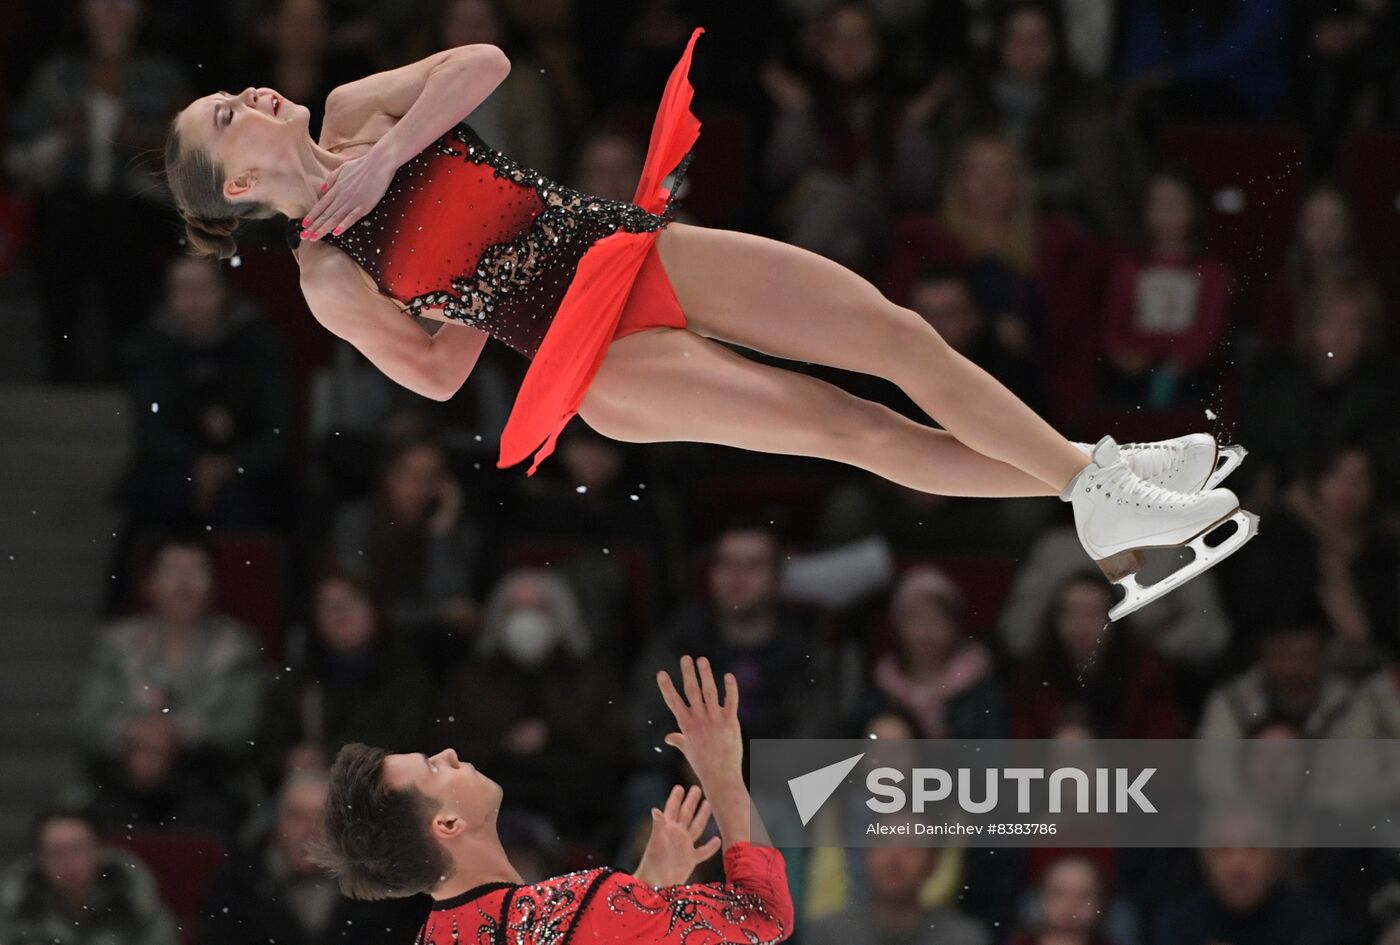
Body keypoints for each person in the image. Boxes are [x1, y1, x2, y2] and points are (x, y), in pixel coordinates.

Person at [163, 28, 1256, 618]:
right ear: (235, 186)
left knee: (898, 337)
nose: (248, 97)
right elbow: (441, 379)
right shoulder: (327, 281)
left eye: (232, 95)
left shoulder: (357, 112)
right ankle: (1095, 487)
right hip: (601, 356)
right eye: (225, 119)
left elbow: (483, 63)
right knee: (851, 428)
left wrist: (394, 156)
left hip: (628, 245)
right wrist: (467, 288)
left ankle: (1090, 482)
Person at [308, 656, 795, 944]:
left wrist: (647, 891)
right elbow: (761, 917)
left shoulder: (431, 938)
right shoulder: (574, 907)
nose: (449, 753)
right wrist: (724, 776)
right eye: (434, 767)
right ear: (448, 824)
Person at [199, 771, 423, 945]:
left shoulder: (375, 893)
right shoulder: (235, 885)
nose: (308, 831)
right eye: (297, 817)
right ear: (277, 823)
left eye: (322, 819)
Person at [0, 806, 178, 945]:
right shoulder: (11, 910)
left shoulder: (137, 905)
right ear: (39, 858)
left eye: (77, 850)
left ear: (101, 851)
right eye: (55, 852)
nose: (67, 861)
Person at [804, 846, 991, 945]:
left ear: (933, 864)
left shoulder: (963, 938)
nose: (894, 859)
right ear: (863, 857)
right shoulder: (829, 935)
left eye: (911, 848)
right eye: (884, 844)